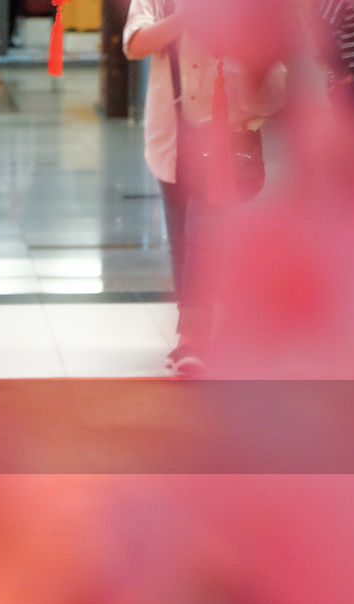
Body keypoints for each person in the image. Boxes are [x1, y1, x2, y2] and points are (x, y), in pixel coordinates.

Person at [123, 0, 282, 376]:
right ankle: (198, 333)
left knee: (204, 230)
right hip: (172, 131)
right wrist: (185, 19)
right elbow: (135, 43)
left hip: (224, 129)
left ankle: (194, 338)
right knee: (182, 238)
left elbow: (272, 54)